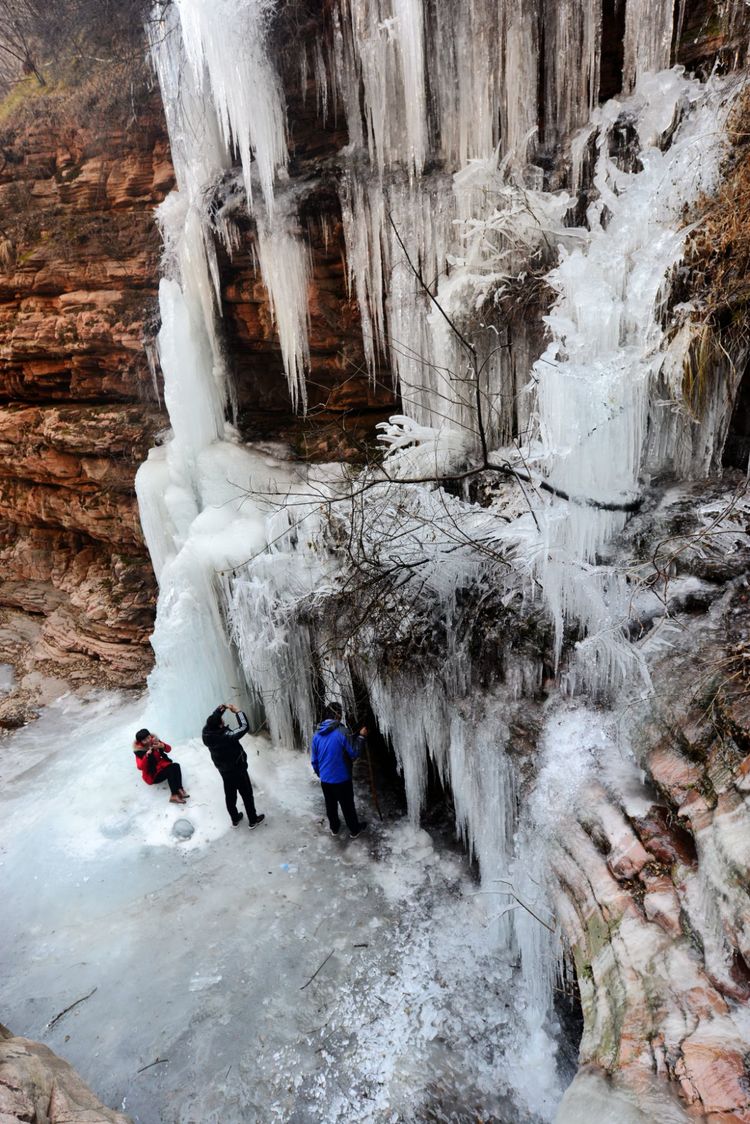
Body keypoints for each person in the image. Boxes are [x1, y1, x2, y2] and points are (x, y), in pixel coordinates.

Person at [202, 703, 265, 829]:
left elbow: (213, 719)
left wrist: (221, 708)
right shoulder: (225, 736)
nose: (223, 720)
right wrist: (238, 712)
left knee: (230, 796)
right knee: (247, 794)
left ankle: (235, 819)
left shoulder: (206, 733)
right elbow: (244, 727)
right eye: (221, 720)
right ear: (220, 725)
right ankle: (253, 820)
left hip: (224, 770)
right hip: (238, 769)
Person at [311, 702, 368, 838]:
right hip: (342, 779)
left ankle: (334, 828)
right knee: (347, 806)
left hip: (325, 780)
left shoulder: (317, 734)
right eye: (340, 713)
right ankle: (354, 829)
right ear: (337, 715)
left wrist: (322, 774)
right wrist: (361, 737)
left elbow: (314, 761)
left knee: (331, 806)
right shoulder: (343, 732)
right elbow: (354, 753)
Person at [133, 729, 189, 804]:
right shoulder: (139, 751)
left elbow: (169, 749)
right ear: (141, 742)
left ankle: (179, 789)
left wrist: (162, 746)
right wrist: (146, 756)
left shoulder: (155, 741)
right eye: (144, 740)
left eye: (148, 737)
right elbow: (140, 767)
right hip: (152, 775)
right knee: (170, 770)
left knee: (176, 766)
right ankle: (174, 795)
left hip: (161, 767)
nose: (148, 740)